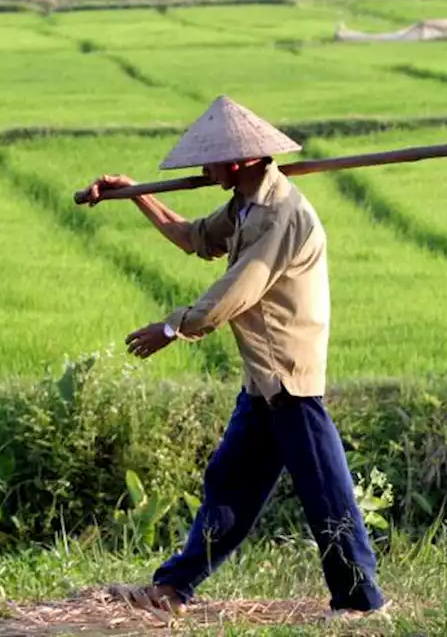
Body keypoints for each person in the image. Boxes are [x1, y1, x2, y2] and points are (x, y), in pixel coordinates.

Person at [80, 95, 386, 621]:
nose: (204, 170)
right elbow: (194, 238)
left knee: (326, 496)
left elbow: (234, 293)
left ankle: (362, 603)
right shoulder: (244, 205)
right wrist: (135, 195)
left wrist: (173, 327)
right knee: (230, 483)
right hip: (261, 380)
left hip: (290, 378)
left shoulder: (281, 215)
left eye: (211, 160)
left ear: (241, 161)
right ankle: (174, 587)